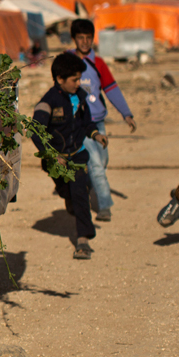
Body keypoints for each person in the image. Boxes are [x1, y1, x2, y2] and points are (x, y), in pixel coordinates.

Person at [30, 52, 108, 260]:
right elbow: (35, 131)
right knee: (70, 194)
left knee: (80, 193)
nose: (78, 83)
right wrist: (53, 156)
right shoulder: (48, 102)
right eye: (74, 80)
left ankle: (83, 240)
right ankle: (71, 198)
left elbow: (87, 122)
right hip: (56, 162)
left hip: (78, 156)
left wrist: (96, 134)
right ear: (60, 79)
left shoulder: (81, 97)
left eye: (79, 79)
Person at [67, 19, 136, 222]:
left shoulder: (99, 64)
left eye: (89, 38)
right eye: (81, 38)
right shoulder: (67, 61)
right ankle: (105, 205)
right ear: (74, 39)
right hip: (80, 124)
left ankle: (86, 185)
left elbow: (111, 89)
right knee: (96, 164)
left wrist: (126, 114)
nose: (85, 42)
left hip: (98, 122)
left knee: (102, 162)